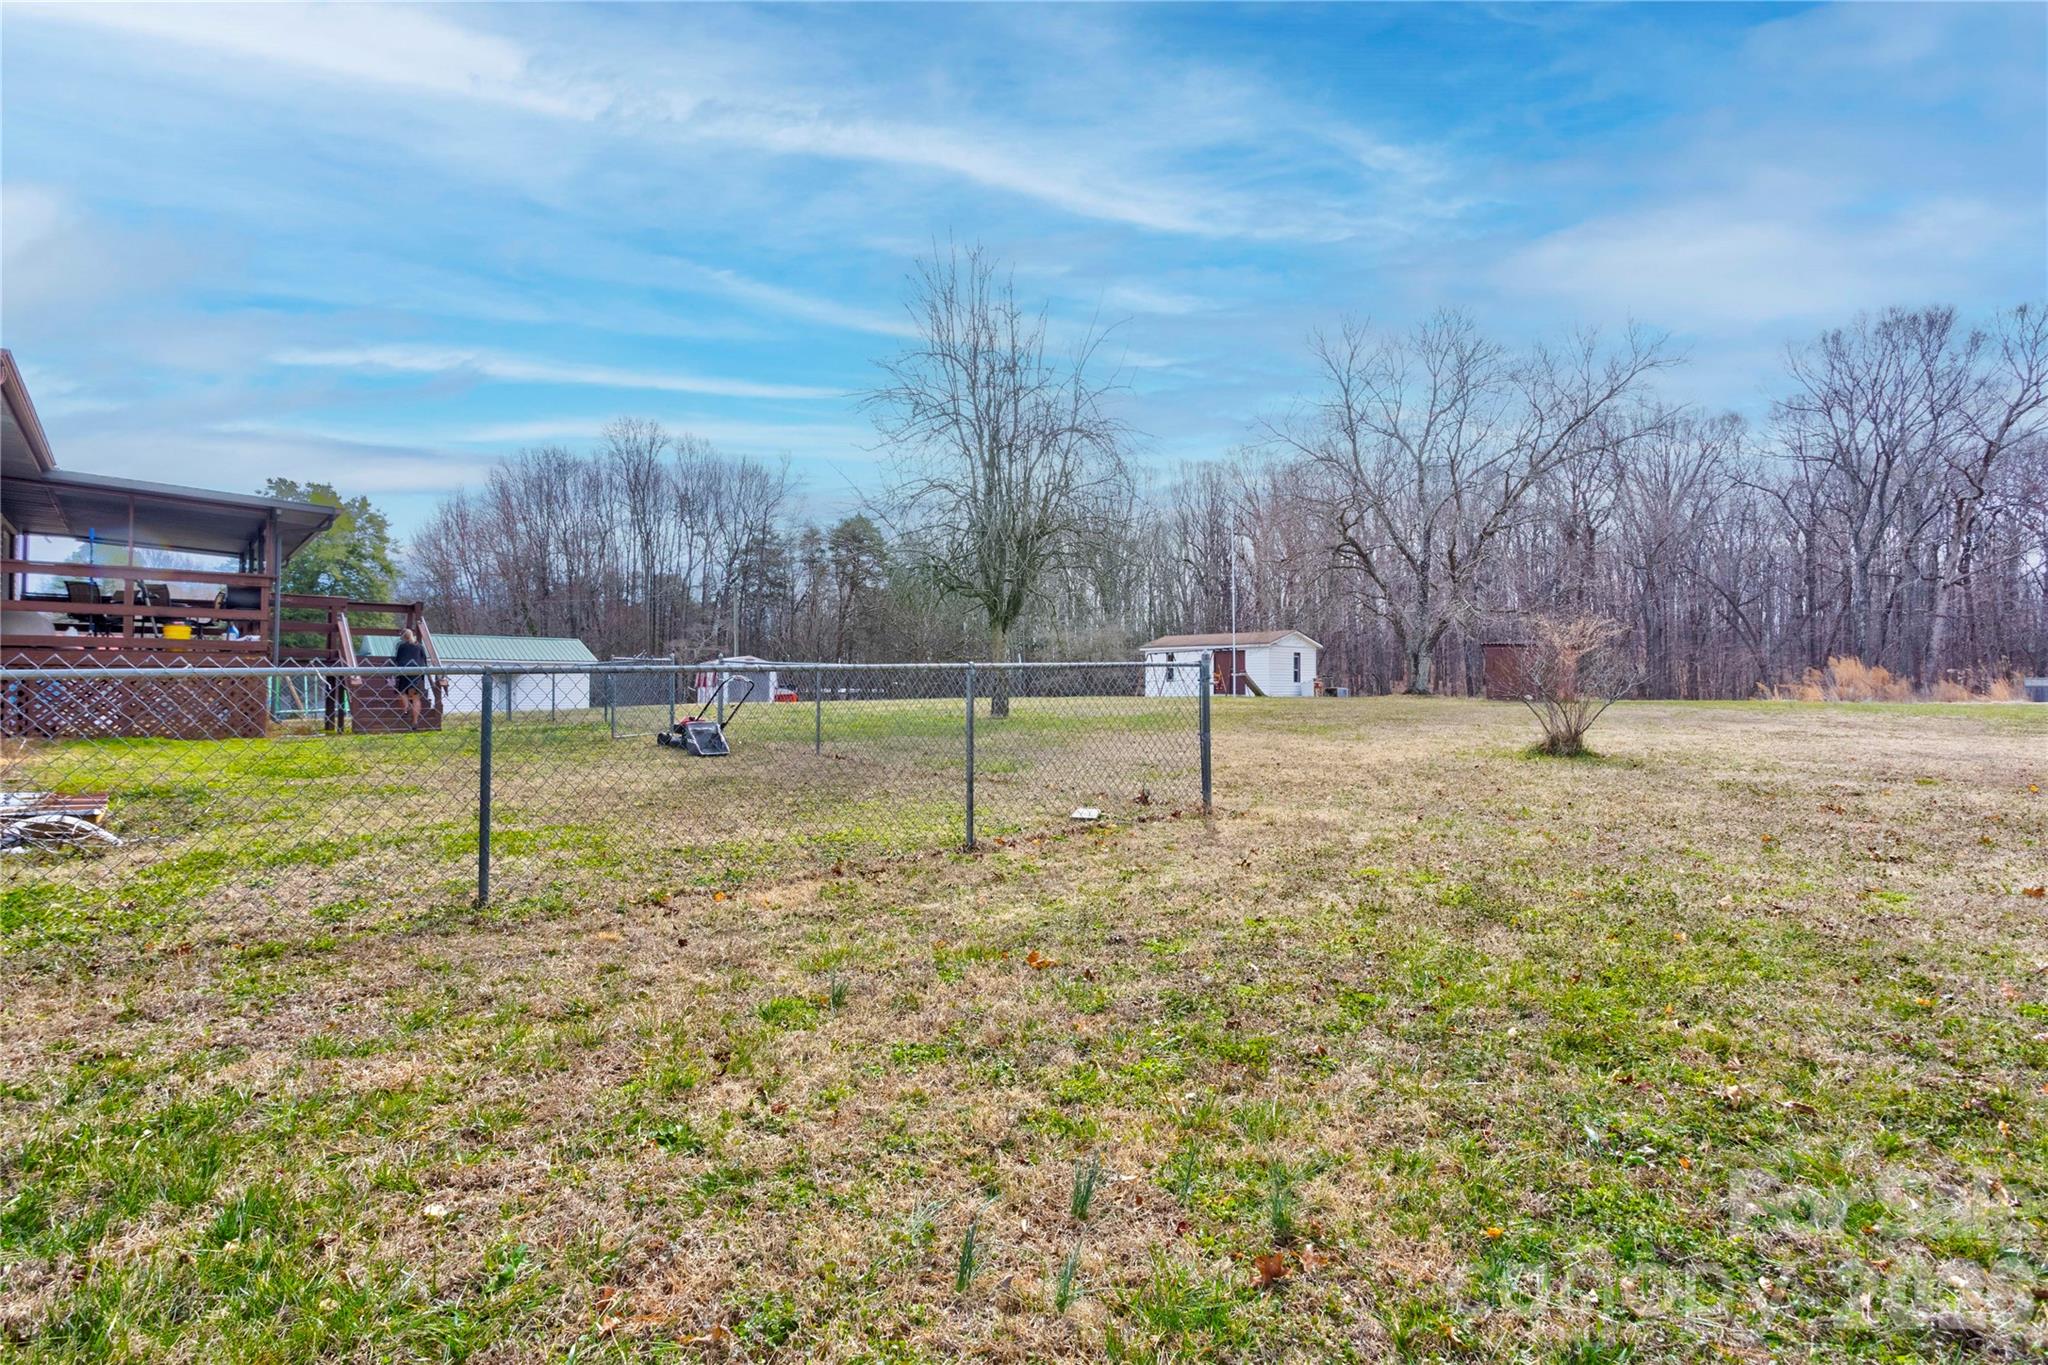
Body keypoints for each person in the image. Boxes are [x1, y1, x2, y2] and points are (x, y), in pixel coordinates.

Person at [391, 628, 429, 730]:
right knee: (416, 697)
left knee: (403, 692)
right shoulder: (419, 646)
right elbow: (424, 659)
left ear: (403, 637)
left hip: (405, 671)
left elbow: (397, 659)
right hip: (417, 672)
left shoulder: (401, 646)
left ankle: (406, 708)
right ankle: (415, 721)